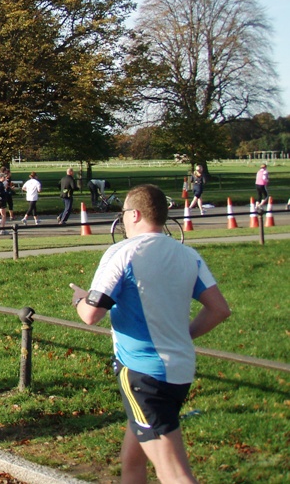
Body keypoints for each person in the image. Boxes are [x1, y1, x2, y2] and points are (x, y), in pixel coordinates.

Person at [70, 184, 231, 484]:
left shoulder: (122, 253)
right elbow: (219, 309)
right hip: (179, 371)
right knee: (132, 459)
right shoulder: (188, 255)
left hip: (143, 375)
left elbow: (92, 315)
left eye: (123, 215)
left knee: (174, 472)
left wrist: (80, 298)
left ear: (135, 214)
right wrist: (184, 335)